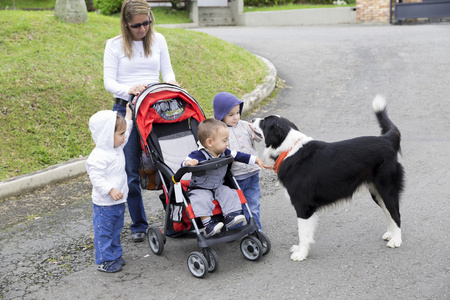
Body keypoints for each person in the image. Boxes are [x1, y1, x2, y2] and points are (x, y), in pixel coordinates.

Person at [103, 0, 179, 242]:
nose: (143, 28)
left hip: (156, 108)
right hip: (127, 109)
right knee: (131, 171)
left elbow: (167, 71)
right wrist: (129, 90)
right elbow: (109, 82)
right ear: (126, 24)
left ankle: (177, 218)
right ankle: (139, 225)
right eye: (137, 25)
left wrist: (170, 84)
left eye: (147, 22)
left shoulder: (159, 40)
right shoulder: (114, 46)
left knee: (170, 164)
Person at [182, 119, 268, 237]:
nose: (227, 143)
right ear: (210, 142)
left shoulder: (225, 152)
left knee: (229, 192)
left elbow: (239, 155)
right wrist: (189, 163)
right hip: (200, 187)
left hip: (218, 185)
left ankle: (231, 216)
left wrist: (255, 160)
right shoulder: (198, 154)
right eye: (224, 140)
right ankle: (208, 225)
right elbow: (184, 162)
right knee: (200, 199)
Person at [85, 105, 133, 273]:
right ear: (106, 135)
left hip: (119, 201)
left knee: (116, 230)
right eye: (120, 134)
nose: (124, 137)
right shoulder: (98, 156)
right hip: (105, 204)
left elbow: (127, 130)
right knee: (104, 232)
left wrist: (128, 115)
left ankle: (114, 254)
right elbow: (96, 178)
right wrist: (110, 190)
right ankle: (105, 260)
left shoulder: (116, 146)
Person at [213, 92, 264, 230]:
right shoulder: (218, 132)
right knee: (235, 205)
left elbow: (259, 138)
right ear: (220, 115)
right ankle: (235, 229)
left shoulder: (245, 125)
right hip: (235, 176)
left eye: (237, 112)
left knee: (253, 203)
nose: (236, 117)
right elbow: (215, 150)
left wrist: (256, 131)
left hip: (252, 172)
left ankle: (255, 230)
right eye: (231, 115)